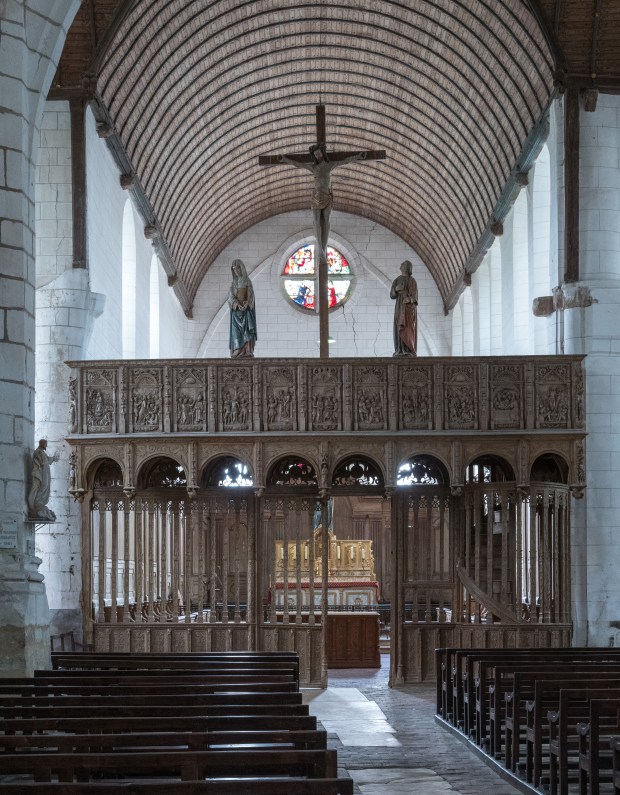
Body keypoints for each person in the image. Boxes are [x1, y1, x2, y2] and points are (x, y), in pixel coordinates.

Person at [278, 144, 366, 267]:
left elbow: (344, 161)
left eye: (319, 153)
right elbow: (299, 164)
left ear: (322, 154)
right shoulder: (314, 168)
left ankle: (323, 249)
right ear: (314, 156)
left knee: (326, 222)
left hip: (327, 196)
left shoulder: (329, 165)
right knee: (316, 221)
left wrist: (357, 156)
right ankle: (321, 250)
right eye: (316, 154)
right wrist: (285, 159)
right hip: (316, 196)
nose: (318, 156)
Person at [228, 259, 257, 358]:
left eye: (238, 269)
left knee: (247, 331)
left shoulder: (247, 281)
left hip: (246, 311)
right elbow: (231, 296)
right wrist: (236, 304)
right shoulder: (234, 283)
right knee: (236, 332)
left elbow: (250, 295)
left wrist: (247, 303)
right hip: (236, 312)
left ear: (242, 269)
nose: (236, 271)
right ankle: (238, 349)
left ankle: (247, 350)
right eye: (234, 269)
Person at [390, 260, 418, 356]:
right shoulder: (397, 280)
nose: (404, 266)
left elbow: (414, 295)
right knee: (398, 325)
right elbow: (392, 295)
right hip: (399, 306)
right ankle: (399, 349)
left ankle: (408, 349)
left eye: (406, 265)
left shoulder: (412, 280)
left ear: (409, 268)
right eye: (403, 265)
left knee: (407, 328)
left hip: (408, 308)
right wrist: (395, 289)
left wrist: (409, 299)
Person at [28, 439, 59, 521]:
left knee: (46, 486)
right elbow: (42, 462)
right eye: (45, 444)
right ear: (41, 444)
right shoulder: (38, 452)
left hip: (45, 473)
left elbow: (47, 460)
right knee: (42, 486)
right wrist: (46, 461)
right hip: (40, 473)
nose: (46, 445)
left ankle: (39, 503)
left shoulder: (42, 452)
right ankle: (36, 503)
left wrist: (54, 458)